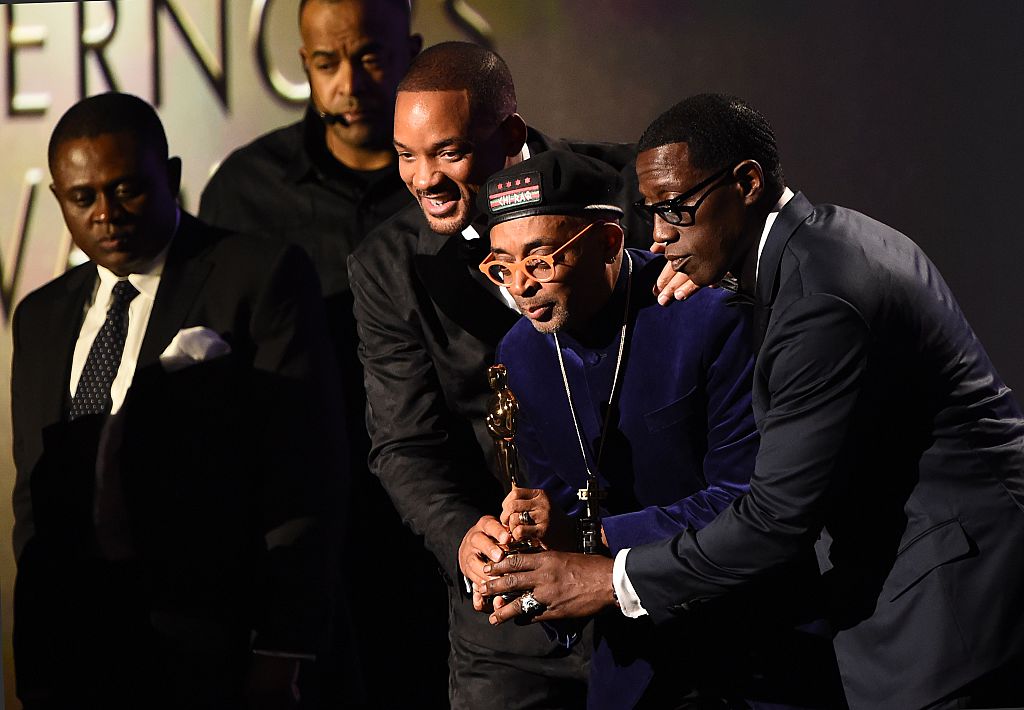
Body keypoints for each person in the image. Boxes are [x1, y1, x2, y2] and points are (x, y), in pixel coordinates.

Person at [615, 93, 1023, 710]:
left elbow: (776, 519)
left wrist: (614, 578)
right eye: (652, 212)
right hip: (957, 568)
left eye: (676, 207)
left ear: (747, 183)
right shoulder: (824, 240)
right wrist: (727, 279)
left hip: (959, 602)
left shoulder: (820, 297)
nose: (661, 235)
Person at [348, 41, 675, 709]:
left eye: (448, 152)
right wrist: (463, 538)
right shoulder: (388, 267)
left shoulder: (632, 192)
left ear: (509, 135)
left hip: (654, 592)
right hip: (508, 622)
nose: (425, 179)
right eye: (406, 155)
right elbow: (404, 444)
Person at [473, 149, 843, 709]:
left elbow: (748, 498)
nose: (520, 286)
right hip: (633, 665)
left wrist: (591, 539)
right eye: (502, 267)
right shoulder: (519, 354)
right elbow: (558, 511)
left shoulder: (705, 313)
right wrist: (519, 554)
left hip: (759, 644)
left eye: (541, 260)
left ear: (608, 243)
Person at [11, 92, 344, 709]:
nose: (106, 214)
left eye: (127, 189)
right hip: (75, 655)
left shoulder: (258, 276)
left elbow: (303, 471)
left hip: (212, 649)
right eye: (83, 198)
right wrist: (33, 659)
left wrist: (282, 648)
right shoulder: (40, 316)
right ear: (58, 198)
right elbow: (35, 496)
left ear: (171, 176)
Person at [197, 2, 451, 705]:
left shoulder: (467, 180)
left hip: (447, 509)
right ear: (303, 63)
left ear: (412, 53)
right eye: (325, 62)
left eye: (369, 57)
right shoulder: (244, 191)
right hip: (304, 527)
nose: (349, 83)